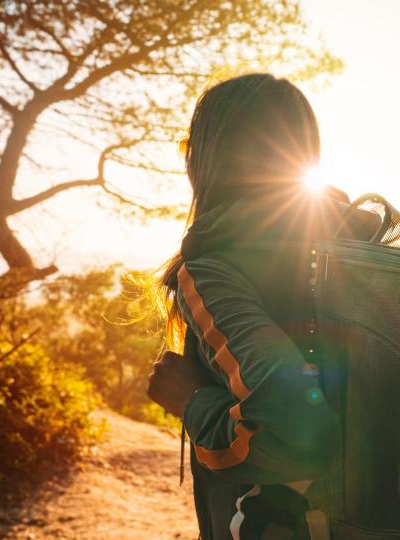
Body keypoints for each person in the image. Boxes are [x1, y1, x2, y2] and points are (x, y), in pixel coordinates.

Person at [146, 73, 351, 539]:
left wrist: (191, 402)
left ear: (212, 157)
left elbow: (302, 438)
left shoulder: (215, 268)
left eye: (189, 148)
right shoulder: (356, 243)